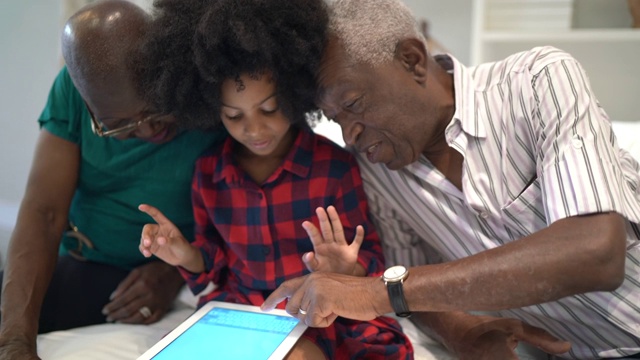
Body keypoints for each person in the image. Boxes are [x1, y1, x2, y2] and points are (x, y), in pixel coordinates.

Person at [262, 0, 640, 359]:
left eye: (354, 105)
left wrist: (374, 293)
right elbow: (411, 283)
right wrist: (461, 332)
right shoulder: (379, 172)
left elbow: (596, 252)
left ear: (412, 60)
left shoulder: (536, 83)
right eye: (336, 119)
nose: (349, 136)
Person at [137, 0, 413, 358]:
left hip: (323, 309)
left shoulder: (334, 168)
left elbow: (373, 260)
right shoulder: (208, 173)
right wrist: (183, 254)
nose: (254, 129)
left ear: (294, 93)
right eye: (234, 116)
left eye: (269, 108)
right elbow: (212, 269)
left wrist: (347, 268)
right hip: (246, 312)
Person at [0, 1, 225, 358]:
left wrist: (176, 272)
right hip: (86, 260)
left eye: (156, 107)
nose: (150, 129)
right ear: (90, 106)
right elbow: (43, 213)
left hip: (180, 268)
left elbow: (245, 213)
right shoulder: (71, 90)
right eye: (121, 124)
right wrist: (14, 342)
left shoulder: (204, 87)